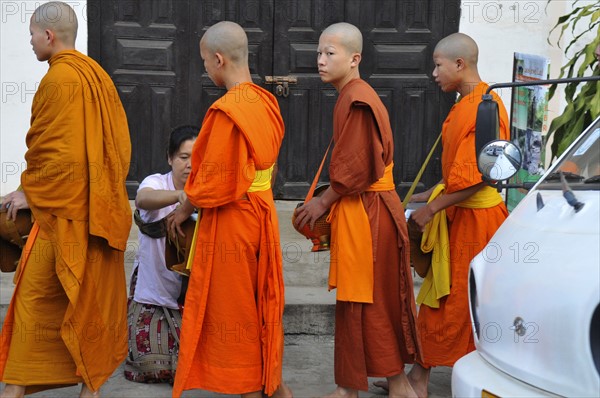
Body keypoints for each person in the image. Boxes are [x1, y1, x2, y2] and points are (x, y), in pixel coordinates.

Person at [0, 2, 132, 397]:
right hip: (96, 213)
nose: (29, 41)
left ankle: (15, 389)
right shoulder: (98, 77)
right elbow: (118, 149)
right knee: (87, 304)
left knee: (32, 305)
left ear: (48, 36)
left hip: (63, 219)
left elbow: (59, 158)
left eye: (32, 34)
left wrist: (31, 191)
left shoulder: (60, 79)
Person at [293, 22, 421, 398]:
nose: (320, 60)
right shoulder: (350, 94)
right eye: (318, 53)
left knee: (374, 299)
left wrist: (322, 201)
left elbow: (358, 168)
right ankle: (350, 387)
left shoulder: (358, 99)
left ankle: (399, 386)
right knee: (358, 299)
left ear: (355, 58)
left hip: (371, 213)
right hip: (364, 211)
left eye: (329, 53)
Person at [166, 21, 292, 398]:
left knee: (234, 310)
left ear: (218, 59)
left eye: (205, 61)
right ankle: (275, 384)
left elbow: (211, 183)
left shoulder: (226, 111)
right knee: (260, 302)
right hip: (262, 214)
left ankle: (249, 387)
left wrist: (182, 207)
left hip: (234, 221)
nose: (206, 68)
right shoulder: (265, 101)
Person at [388, 33, 509, 396]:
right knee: (445, 296)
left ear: (460, 64)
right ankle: (420, 376)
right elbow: (461, 168)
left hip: (476, 221)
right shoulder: (466, 103)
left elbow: (484, 175)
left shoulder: (487, 108)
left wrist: (433, 207)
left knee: (454, 298)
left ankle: (423, 378)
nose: (433, 72)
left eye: (438, 64)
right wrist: (431, 192)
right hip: (458, 213)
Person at [124, 125, 198, 384]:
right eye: (183, 157)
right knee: (153, 368)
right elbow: (143, 199)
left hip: (194, 297)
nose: (189, 165)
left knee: (199, 365)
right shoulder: (156, 182)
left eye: (196, 157)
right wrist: (180, 197)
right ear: (170, 158)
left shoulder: (210, 190)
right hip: (154, 291)